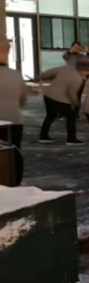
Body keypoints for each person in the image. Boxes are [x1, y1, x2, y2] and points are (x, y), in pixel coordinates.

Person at [38, 57, 89, 145]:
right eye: (88, 70)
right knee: (71, 117)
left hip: (48, 95)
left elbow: (46, 74)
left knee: (50, 116)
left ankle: (43, 136)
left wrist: (41, 77)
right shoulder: (78, 78)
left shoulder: (65, 68)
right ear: (83, 70)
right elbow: (72, 94)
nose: (88, 72)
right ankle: (71, 138)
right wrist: (76, 104)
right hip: (60, 98)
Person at [0, 40, 26, 182]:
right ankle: (15, 181)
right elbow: (23, 99)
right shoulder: (16, 75)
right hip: (14, 119)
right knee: (14, 151)